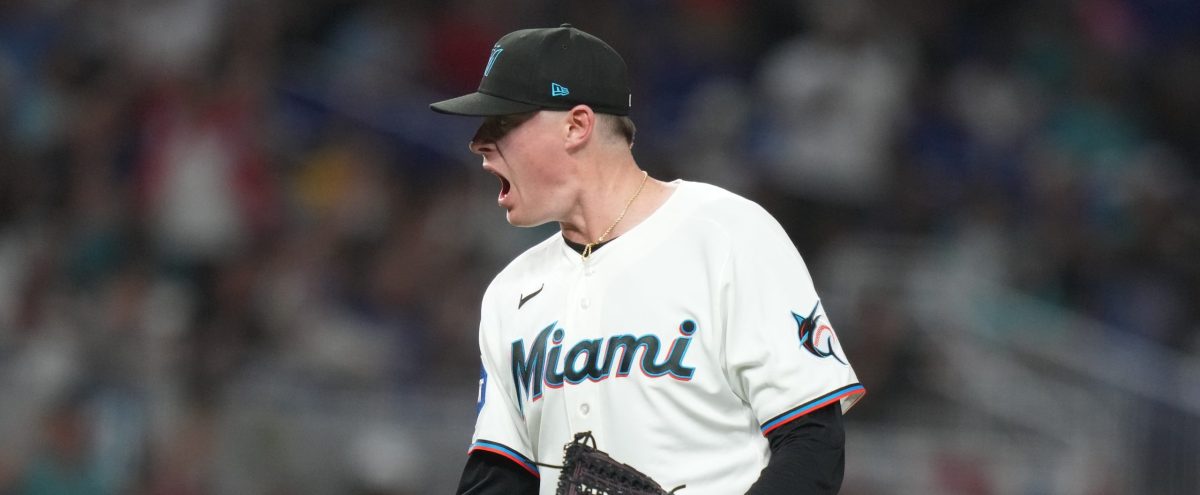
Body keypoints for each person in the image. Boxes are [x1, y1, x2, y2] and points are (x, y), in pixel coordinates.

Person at [431, 24, 865, 495]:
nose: (478, 142)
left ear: (576, 126)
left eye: (501, 124)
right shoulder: (510, 292)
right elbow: (499, 475)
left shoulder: (726, 235)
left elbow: (812, 444)